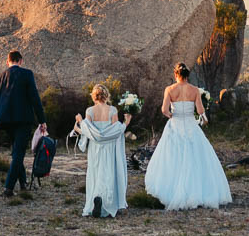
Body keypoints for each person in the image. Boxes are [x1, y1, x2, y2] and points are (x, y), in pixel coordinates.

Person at [143, 62, 232, 210]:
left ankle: (171, 191)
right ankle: (198, 191)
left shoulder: (170, 89)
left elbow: (164, 109)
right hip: (191, 125)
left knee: (172, 157)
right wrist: (203, 118)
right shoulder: (194, 90)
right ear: (187, 75)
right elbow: (200, 109)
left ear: (176, 74)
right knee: (196, 156)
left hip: (176, 124)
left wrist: (172, 115)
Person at [0, 49, 47, 197]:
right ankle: (8, 187)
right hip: (23, 119)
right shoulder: (27, 74)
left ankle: (23, 184)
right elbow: (34, 98)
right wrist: (42, 120)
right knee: (18, 153)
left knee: (16, 152)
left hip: (4, 120)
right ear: (20, 61)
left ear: (7, 62)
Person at [73, 83, 130, 218]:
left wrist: (80, 122)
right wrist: (126, 123)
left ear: (94, 96)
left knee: (96, 172)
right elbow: (116, 131)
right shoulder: (112, 110)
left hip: (95, 148)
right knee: (108, 173)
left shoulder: (90, 111)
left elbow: (88, 131)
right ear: (106, 96)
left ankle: (96, 198)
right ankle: (107, 203)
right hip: (109, 148)